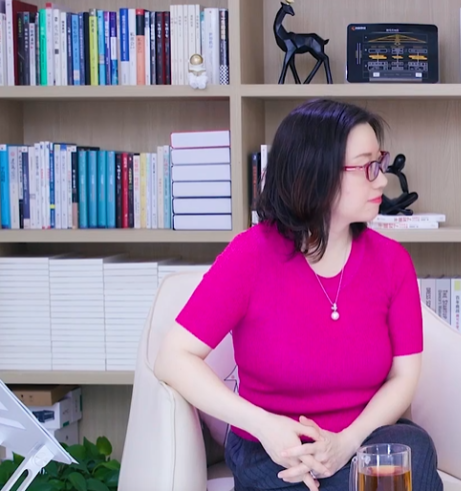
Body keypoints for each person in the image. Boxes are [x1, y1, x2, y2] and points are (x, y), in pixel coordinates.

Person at [154, 98, 443, 491]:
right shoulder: (250, 256)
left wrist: (346, 443)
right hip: (271, 448)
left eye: (381, 163)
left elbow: (404, 376)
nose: (382, 181)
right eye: (367, 167)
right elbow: (173, 357)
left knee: (414, 450)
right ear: (315, 173)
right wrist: (263, 425)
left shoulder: (392, 262)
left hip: (360, 439)